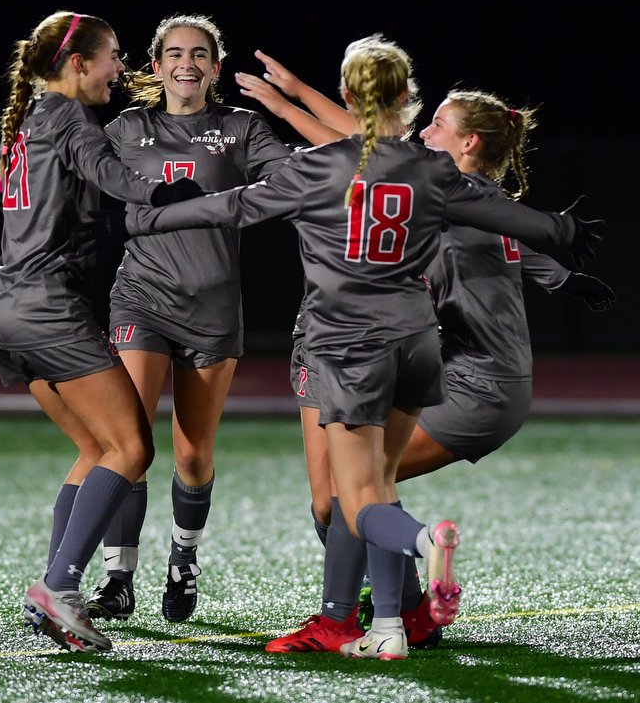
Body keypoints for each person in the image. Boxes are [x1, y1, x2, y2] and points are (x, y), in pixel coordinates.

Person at [121, 34, 603, 660]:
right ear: (406, 98)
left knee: (355, 498)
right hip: (419, 348)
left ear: (350, 96)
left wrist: (139, 219)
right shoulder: (431, 173)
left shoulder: (325, 168)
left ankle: (396, 569)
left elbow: (234, 206)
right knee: (366, 488)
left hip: (350, 346)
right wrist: (562, 235)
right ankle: (394, 622)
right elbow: (513, 219)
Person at [0, 11, 201, 653]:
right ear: (78, 63)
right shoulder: (72, 118)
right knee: (132, 449)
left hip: (4, 310)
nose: (118, 69)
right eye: (111, 57)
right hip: (47, 309)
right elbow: (113, 179)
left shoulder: (29, 120)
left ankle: (53, 596)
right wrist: (167, 189)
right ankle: (60, 588)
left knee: (95, 448)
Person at [83, 14, 292, 625]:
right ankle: (118, 575)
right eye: (175, 53)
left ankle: (183, 560)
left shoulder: (241, 128)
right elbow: (55, 171)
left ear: (215, 67)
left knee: (193, 454)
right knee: (129, 441)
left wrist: (237, 205)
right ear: (156, 65)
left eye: (200, 54)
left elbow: (288, 180)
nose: (187, 63)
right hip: (140, 298)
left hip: (212, 306)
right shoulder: (126, 128)